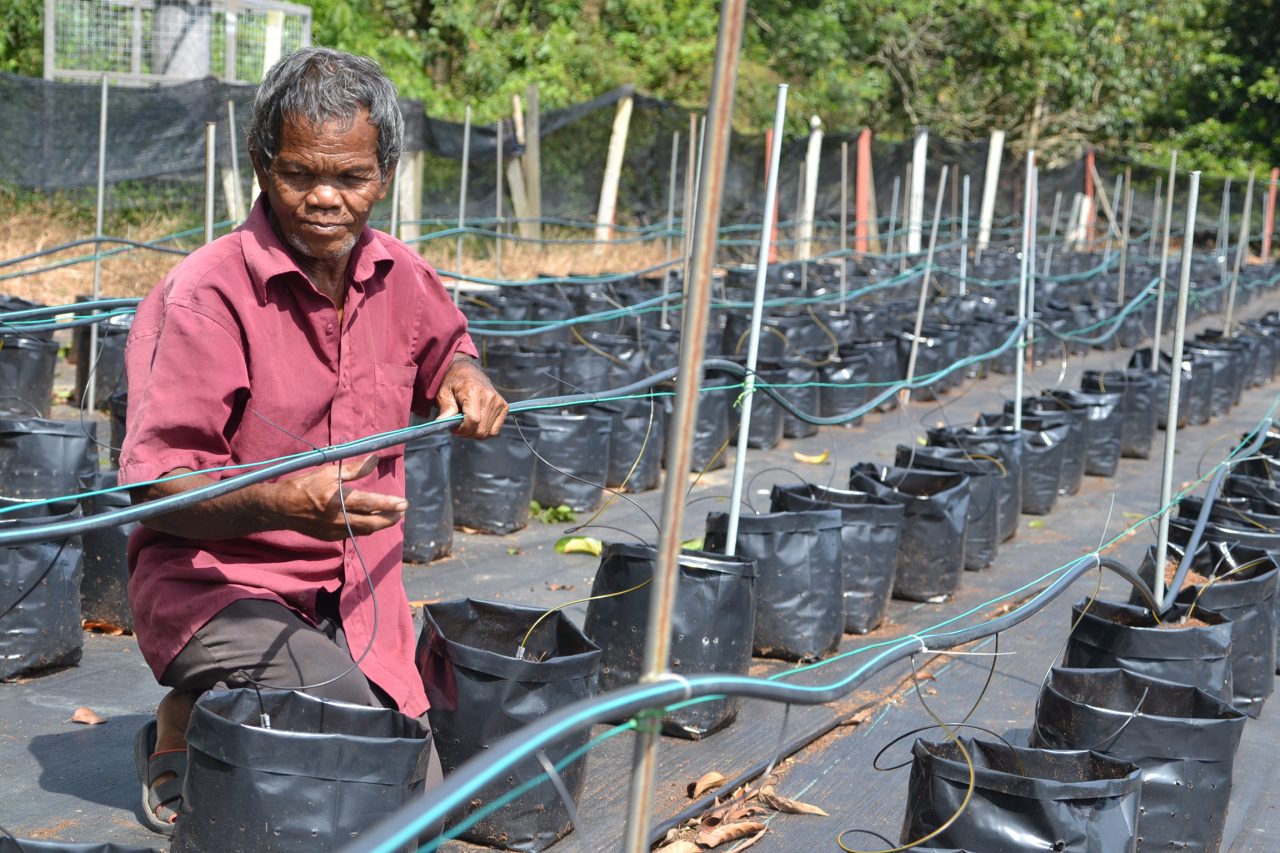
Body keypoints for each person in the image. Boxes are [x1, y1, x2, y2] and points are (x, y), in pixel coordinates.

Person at [117, 47, 508, 835]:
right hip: (219, 587)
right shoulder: (208, 293)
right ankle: (185, 728)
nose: (326, 198)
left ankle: (208, 712)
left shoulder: (401, 274)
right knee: (354, 748)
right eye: (300, 174)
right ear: (262, 166)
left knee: (411, 794)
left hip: (357, 591)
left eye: (351, 177)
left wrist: (466, 373)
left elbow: (449, 343)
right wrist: (283, 505)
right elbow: (154, 484)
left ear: (385, 174)